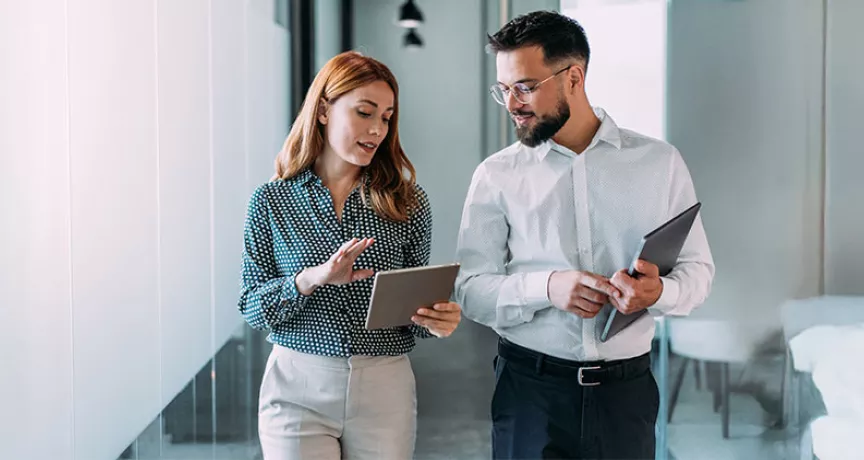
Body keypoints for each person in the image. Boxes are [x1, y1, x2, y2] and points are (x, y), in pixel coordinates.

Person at [454, 11, 715, 460]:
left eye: (525, 86)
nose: (513, 103)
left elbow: (698, 272)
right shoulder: (496, 175)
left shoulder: (659, 163)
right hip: (529, 394)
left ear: (573, 77)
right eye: (504, 90)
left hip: (627, 395)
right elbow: (469, 290)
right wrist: (548, 288)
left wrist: (657, 293)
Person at [238, 51, 462, 460]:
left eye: (387, 117)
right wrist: (311, 278)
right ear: (324, 110)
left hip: (384, 386)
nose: (377, 129)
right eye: (364, 112)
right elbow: (253, 308)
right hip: (296, 384)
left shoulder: (408, 203)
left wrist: (437, 321)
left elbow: (412, 317)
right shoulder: (271, 201)